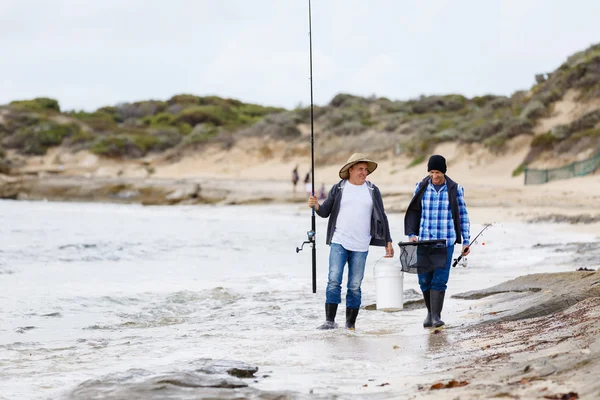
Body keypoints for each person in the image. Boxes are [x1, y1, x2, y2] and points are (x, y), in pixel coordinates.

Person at [308, 153, 394, 331]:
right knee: (333, 281)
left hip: (361, 245)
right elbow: (324, 212)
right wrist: (316, 205)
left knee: (355, 286)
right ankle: (330, 321)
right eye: (361, 169)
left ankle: (350, 325)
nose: (364, 173)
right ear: (351, 170)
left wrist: (388, 241)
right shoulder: (339, 188)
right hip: (339, 241)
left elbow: (382, 216)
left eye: (366, 170)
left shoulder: (372, 190)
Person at [404, 154, 471, 328]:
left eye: (438, 172)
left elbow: (463, 215)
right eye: (432, 172)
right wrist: (411, 233)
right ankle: (429, 313)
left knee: (439, 280)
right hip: (424, 242)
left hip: (445, 241)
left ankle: (436, 317)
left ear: (444, 172)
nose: (435, 176)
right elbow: (413, 211)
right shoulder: (421, 187)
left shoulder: (455, 189)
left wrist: (466, 240)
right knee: (424, 280)